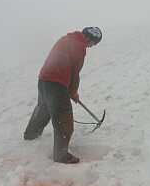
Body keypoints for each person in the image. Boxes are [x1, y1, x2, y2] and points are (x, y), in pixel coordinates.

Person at [24, 27, 102, 164]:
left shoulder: (66, 39)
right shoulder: (79, 47)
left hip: (43, 80)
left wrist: (70, 90)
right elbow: (74, 73)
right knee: (64, 119)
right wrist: (73, 92)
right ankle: (61, 155)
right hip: (57, 84)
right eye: (93, 44)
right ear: (89, 39)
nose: (91, 47)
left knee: (44, 108)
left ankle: (31, 135)